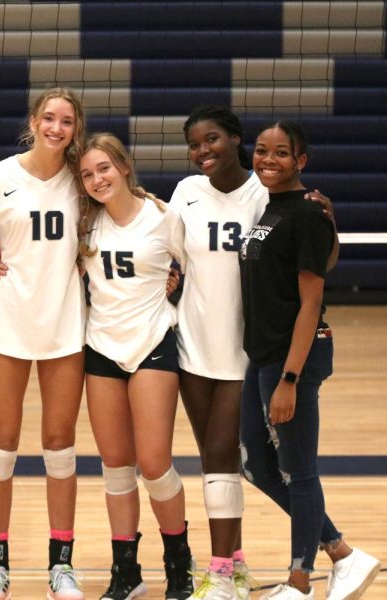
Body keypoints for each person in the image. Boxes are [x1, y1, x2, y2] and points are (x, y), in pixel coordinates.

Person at [171, 106, 338, 600]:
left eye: (213, 139)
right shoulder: (185, 193)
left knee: (243, 458)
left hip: (253, 350)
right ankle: (235, 564)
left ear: (235, 139)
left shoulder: (266, 194)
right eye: (195, 143)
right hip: (193, 342)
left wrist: (331, 222)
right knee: (223, 460)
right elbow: (165, 249)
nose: (204, 150)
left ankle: (233, 570)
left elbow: (314, 260)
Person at [239, 121, 380, 600]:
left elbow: (312, 298)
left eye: (282, 153)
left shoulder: (305, 212)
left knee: (299, 469)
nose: (268, 160)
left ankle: (299, 582)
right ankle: (341, 552)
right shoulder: (275, 208)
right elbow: (318, 259)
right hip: (263, 354)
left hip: (291, 358)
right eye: (261, 151)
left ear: (301, 161)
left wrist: (290, 378)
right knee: (256, 465)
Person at [0, 87, 87, 600]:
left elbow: (132, 205)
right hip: (8, 324)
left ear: (75, 129)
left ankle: (60, 563)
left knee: (60, 446)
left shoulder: (83, 179)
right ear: (33, 121)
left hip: (65, 326)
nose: (56, 128)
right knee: (1, 445)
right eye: (48, 118)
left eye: (66, 121)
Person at [73, 132, 193, 600]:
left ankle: (178, 567)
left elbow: (194, 273)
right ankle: (127, 573)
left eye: (104, 168)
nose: (97, 179)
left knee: (155, 463)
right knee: (116, 468)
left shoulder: (164, 218)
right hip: (102, 347)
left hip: (153, 346)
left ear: (123, 166)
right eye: (87, 174)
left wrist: (176, 288)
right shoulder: (86, 226)